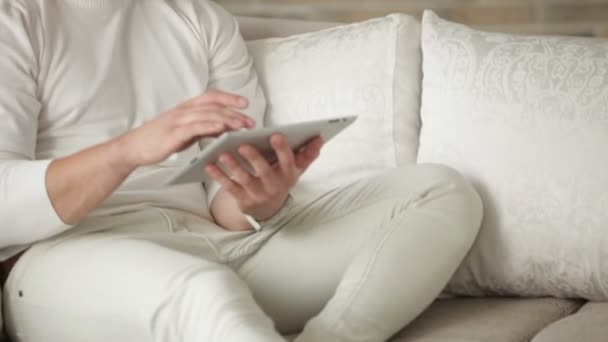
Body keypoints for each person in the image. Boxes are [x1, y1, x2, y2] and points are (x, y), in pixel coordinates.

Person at [0, 0, 483, 341]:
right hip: (73, 259)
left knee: (441, 191)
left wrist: (258, 199)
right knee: (206, 292)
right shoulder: (16, 18)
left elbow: (223, 204)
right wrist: (126, 151)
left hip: (219, 245)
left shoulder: (202, 20)